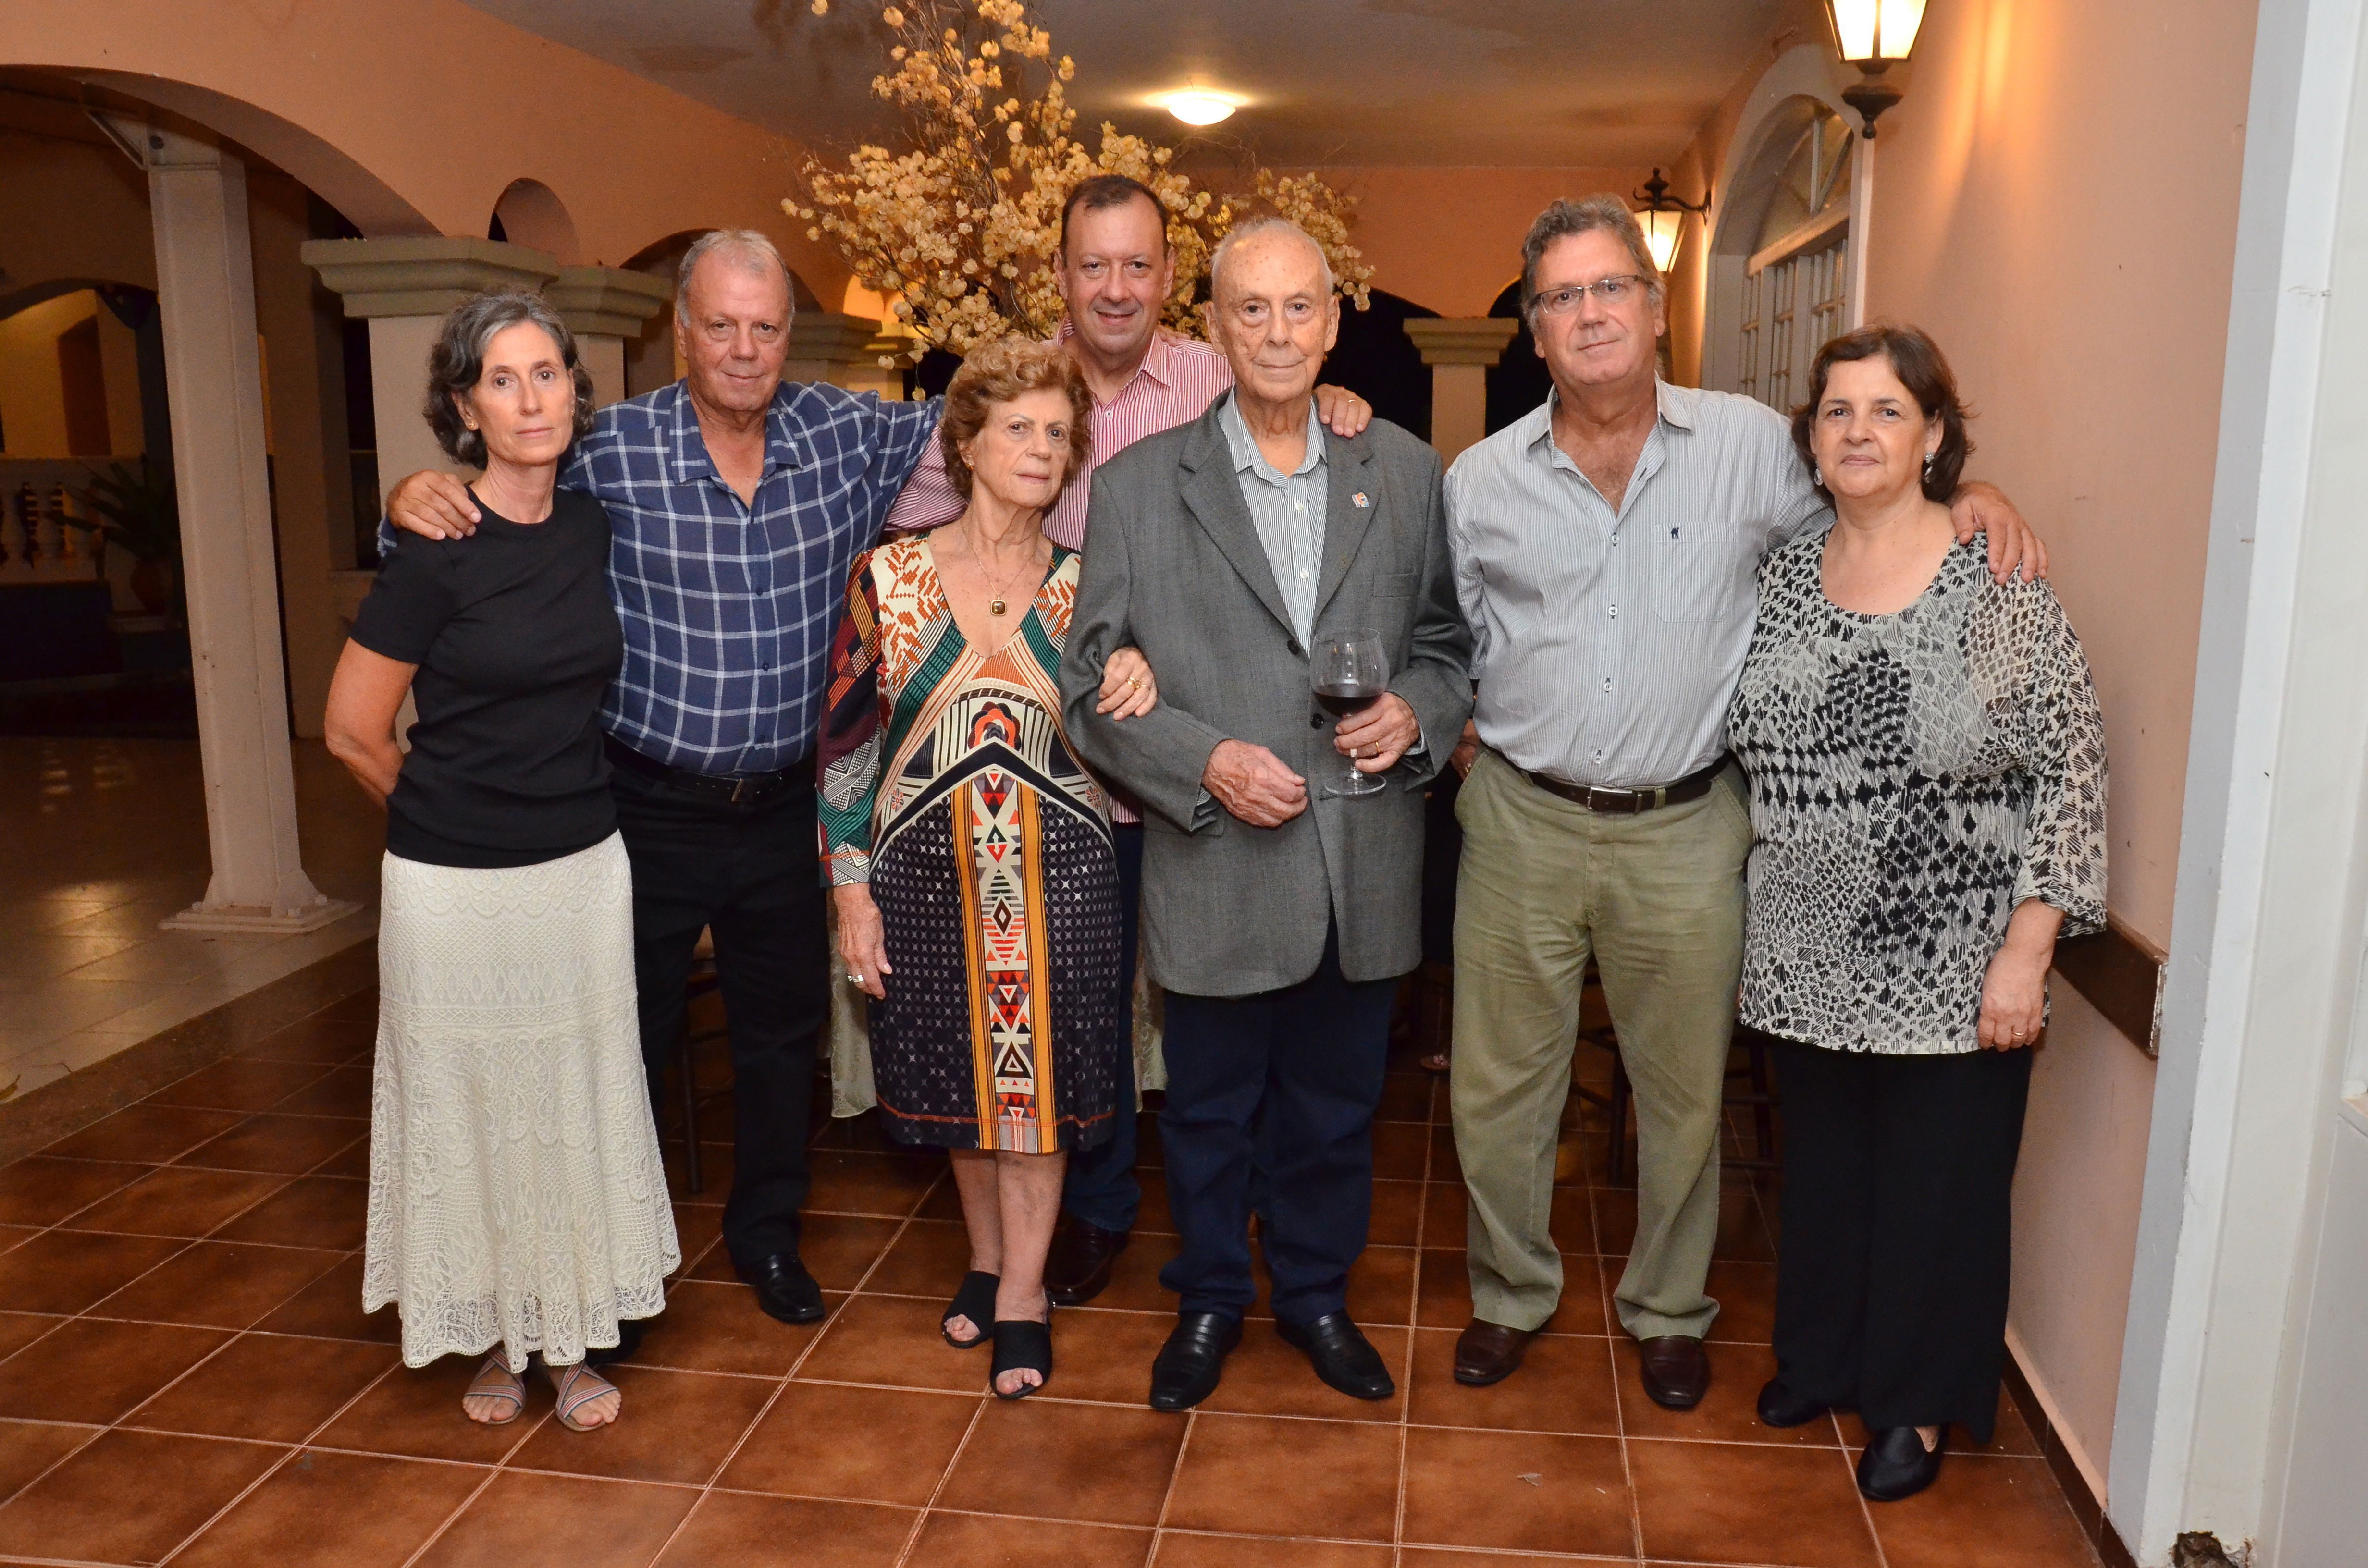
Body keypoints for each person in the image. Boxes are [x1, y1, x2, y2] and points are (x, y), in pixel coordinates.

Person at [1440, 196, 2047, 1410]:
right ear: (1534, 330)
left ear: (1657, 310)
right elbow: (1449, 635)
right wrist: (1474, 752)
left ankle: (1668, 1308)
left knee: (1681, 1090)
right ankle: (1510, 1294)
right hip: (1520, 816)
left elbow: (1878, 499)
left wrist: (1979, 497)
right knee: (1498, 1087)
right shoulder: (1478, 480)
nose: (1589, 314)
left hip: (1689, 822)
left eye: (1610, 287)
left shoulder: (1757, 449)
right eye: (1560, 298)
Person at [381, 231, 939, 1335]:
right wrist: (412, 492)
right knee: (620, 1038)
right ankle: (616, 1260)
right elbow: (485, 504)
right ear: (679, 330)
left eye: (766, 327)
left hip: (785, 804)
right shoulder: (609, 448)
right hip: (637, 805)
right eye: (720, 325)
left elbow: (997, 428)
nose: (744, 349)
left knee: (781, 1040)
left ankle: (766, 1235)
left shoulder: (846, 433)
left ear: (790, 336)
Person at [887, 175, 1372, 1308]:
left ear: (1171, 281)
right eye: (1091, 265)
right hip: (1048, 781)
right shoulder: (1015, 388)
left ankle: (1253, 1226)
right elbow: (918, 553)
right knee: (1081, 1015)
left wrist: (1334, 402)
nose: (1114, 287)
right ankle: (1097, 1214)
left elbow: (1293, 439)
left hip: (1190, 771)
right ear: (1058, 275)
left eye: (1137, 264)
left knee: (1223, 1011)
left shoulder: (1218, 377)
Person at [1061, 218, 1472, 1412]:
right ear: (1217, 327)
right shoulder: (1138, 488)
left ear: (1334, 325)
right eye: (1253, 309)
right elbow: (1091, 684)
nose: (1280, 332)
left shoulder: (1403, 470)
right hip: (1219, 855)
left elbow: (1446, 644)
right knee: (1204, 1114)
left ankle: (1313, 1296)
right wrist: (1207, 759)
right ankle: (1206, 1302)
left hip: (1363, 859)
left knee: (1338, 1115)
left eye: (1302, 309)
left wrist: (1416, 712)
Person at [1727, 323, 2106, 1501]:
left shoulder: (1992, 574)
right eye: (1836, 411)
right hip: (1802, 949)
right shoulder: (1785, 571)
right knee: (1830, 1173)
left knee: (1940, 1188)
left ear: (1934, 437)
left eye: (1887, 411)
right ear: (1810, 437)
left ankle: (1915, 1407)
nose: (1858, 432)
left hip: (1954, 959)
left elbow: (2073, 766)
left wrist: (2025, 953)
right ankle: (1823, 1358)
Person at [326, 291, 677, 1431]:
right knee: (468, 1107)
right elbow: (351, 729)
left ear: (577, 388)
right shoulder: (434, 548)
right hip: (452, 890)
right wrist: (447, 820)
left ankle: (571, 1343)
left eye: (547, 374)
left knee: (571, 1100)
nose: (531, 399)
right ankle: (490, 1338)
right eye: (502, 380)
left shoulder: (592, 524)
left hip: (580, 870)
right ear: (465, 408)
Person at [822, 337, 1153, 1397]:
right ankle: (985, 1259)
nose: (1041, 448)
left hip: (1064, 884)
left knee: (1039, 1095)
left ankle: (1023, 1293)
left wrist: (1144, 660)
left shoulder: (1091, 587)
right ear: (964, 442)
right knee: (963, 1087)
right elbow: (844, 745)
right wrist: (850, 888)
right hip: (922, 883)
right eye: (1018, 427)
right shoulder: (889, 573)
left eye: (1059, 434)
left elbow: (1138, 700)